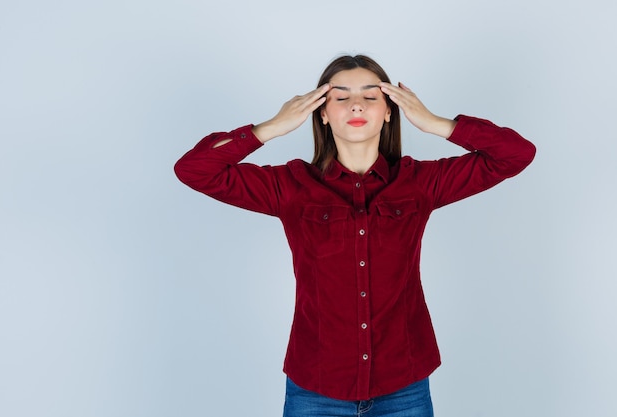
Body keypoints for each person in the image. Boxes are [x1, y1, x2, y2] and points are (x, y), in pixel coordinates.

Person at [174, 55, 536, 417]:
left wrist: (435, 123)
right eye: (341, 97)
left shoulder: (419, 183)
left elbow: (516, 154)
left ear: (390, 111)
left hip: (404, 387)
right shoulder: (291, 187)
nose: (357, 104)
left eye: (371, 95)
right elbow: (194, 170)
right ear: (322, 113)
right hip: (316, 390)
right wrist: (271, 127)